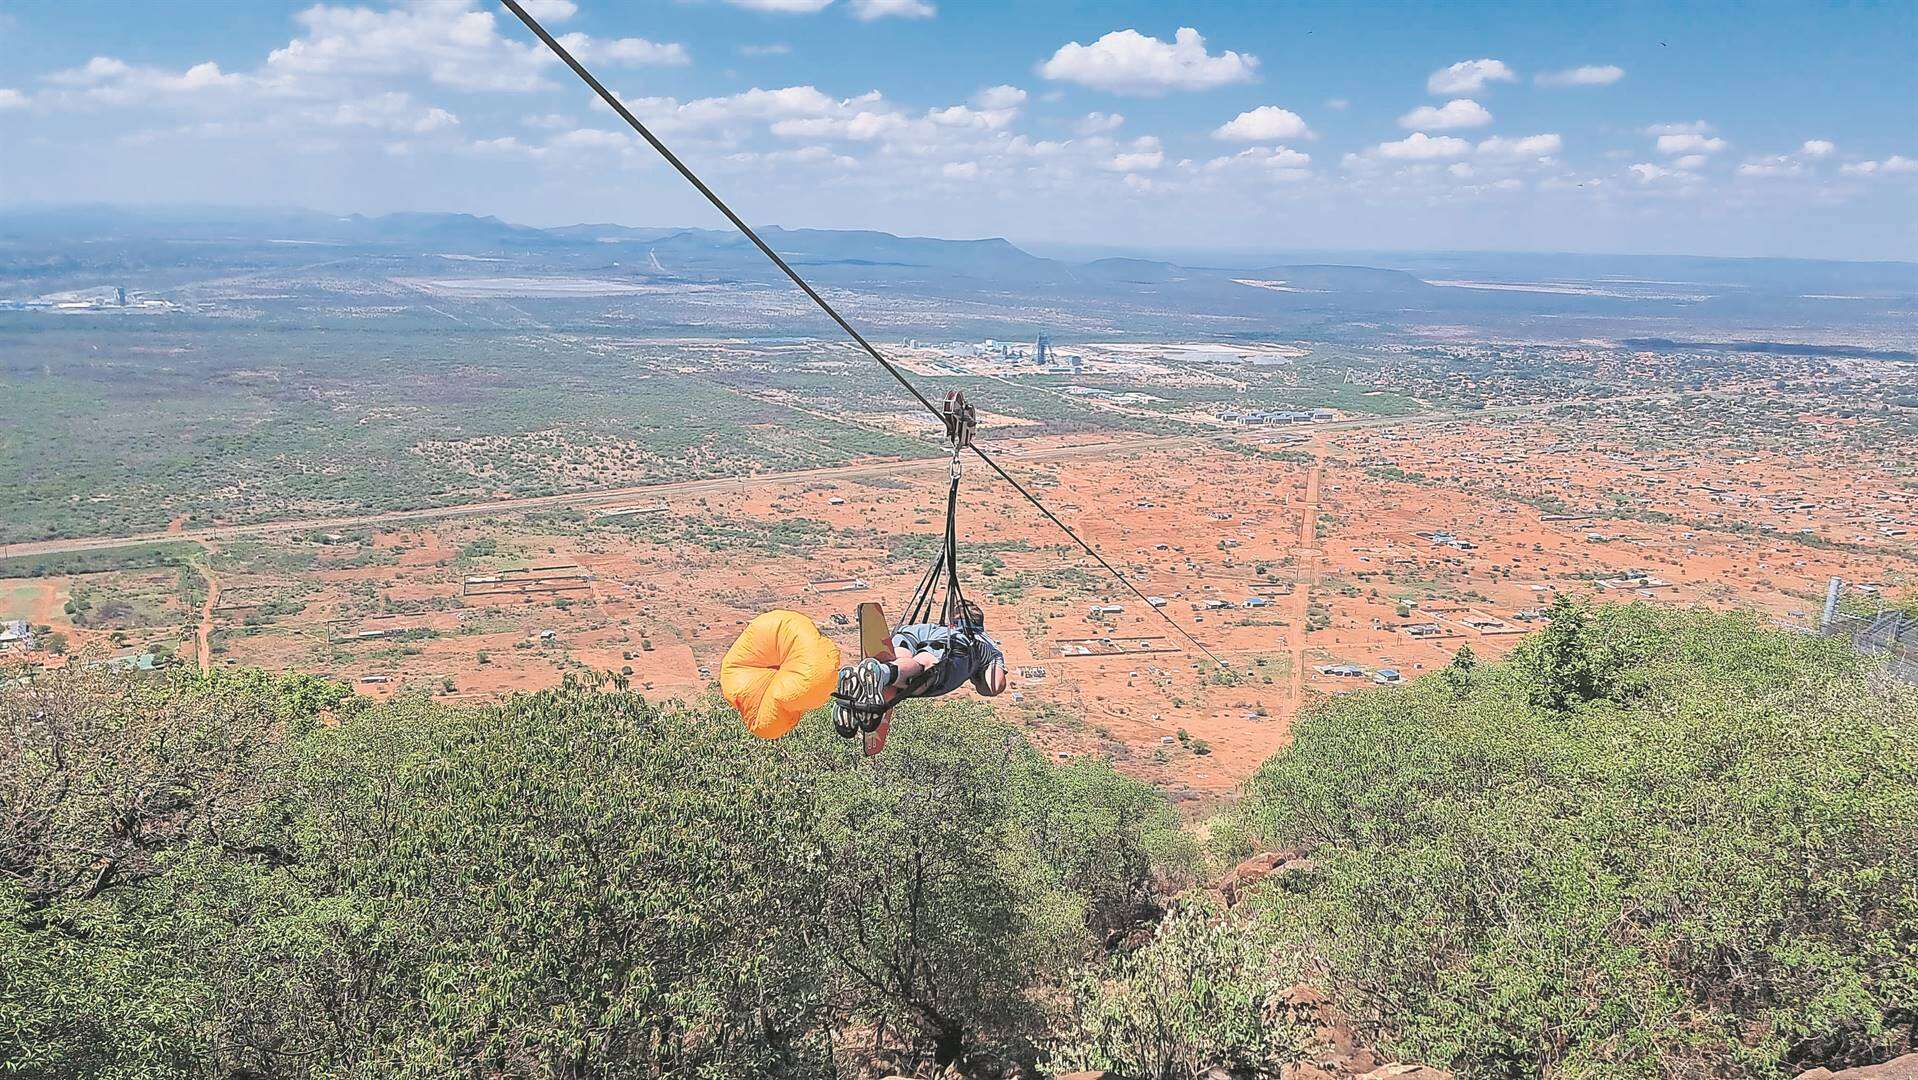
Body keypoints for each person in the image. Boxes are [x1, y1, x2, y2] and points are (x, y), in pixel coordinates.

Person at [835, 600, 1007, 728]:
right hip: (954, 647)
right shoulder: (984, 643)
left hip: (914, 632)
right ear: (980, 623)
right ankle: (880, 674)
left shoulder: (941, 628)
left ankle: (865, 682)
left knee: (904, 664)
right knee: (926, 669)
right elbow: (994, 686)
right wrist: (981, 673)